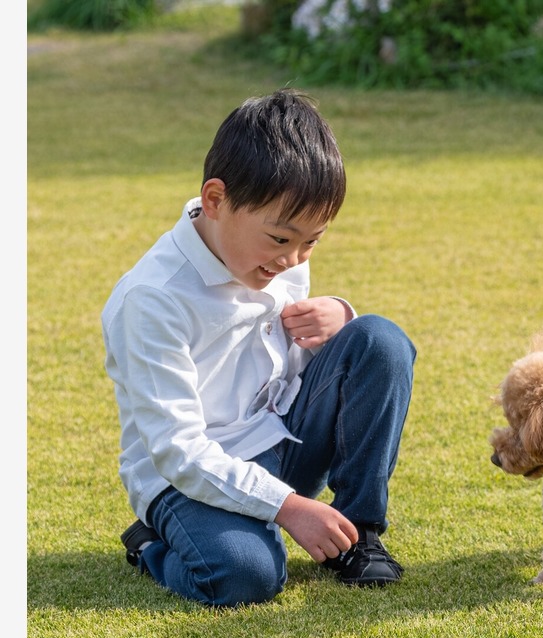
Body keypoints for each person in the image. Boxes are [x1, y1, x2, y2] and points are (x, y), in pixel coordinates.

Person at [102, 89, 416, 607]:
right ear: (216, 200)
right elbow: (178, 450)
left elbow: (294, 366)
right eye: (280, 240)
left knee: (380, 340)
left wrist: (339, 320)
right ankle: (150, 544)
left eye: (311, 241)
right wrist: (288, 507)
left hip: (281, 436)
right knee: (245, 577)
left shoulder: (272, 252)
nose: (293, 260)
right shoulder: (151, 300)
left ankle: (356, 536)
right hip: (185, 477)